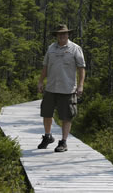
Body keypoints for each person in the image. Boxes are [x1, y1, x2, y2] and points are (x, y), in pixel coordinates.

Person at [37, 24, 86, 152]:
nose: (62, 36)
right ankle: (47, 136)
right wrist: (41, 81)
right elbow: (45, 66)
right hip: (51, 87)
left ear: (68, 34)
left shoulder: (75, 48)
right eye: (59, 34)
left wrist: (80, 85)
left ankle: (63, 142)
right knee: (46, 113)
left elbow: (81, 68)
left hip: (67, 88)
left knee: (66, 116)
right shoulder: (51, 48)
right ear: (56, 35)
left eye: (64, 33)